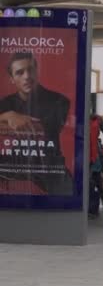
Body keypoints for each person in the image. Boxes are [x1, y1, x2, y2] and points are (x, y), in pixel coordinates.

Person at [0, 51, 72, 195]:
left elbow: (44, 128)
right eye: (19, 72)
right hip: (11, 167)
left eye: (30, 70)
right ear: (12, 79)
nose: (27, 76)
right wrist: (8, 115)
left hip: (48, 168)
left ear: (37, 72)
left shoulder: (59, 101)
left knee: (67, 199)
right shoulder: (5, 104)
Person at [88, 114, 103, 219]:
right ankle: (100, 204)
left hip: (93, 160)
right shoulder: (96, 126)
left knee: (92, 185)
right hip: (96, 160)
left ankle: (93, 208)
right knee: (97, 183)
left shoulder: (93, 126)